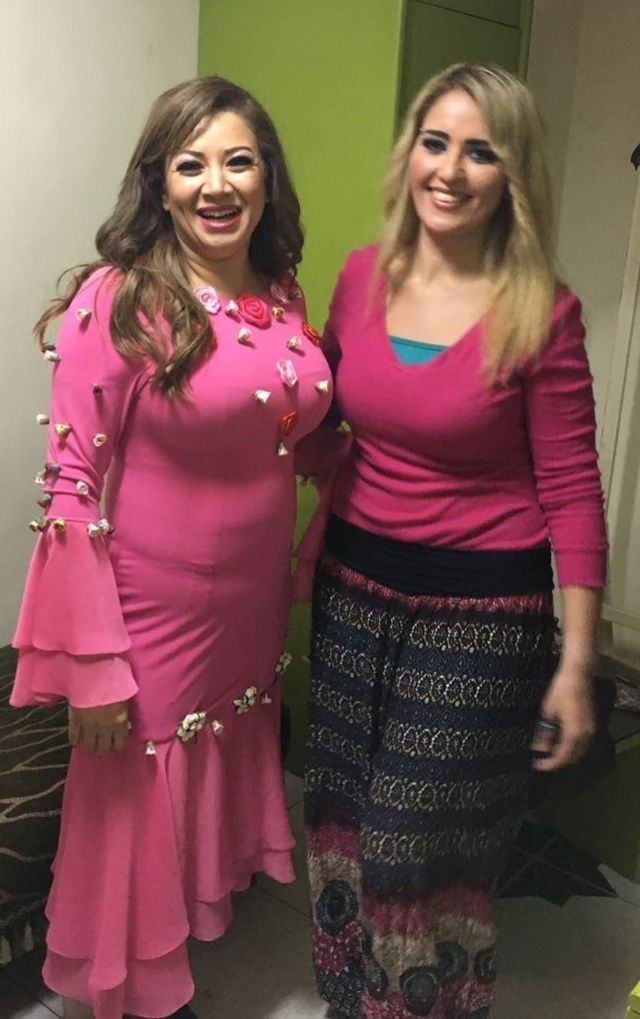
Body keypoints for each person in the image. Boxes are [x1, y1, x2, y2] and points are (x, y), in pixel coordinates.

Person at [11, 75, 333, 1019]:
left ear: (268, 177)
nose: (216, 184)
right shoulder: (122, 299)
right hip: (155, 611)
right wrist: (94, 668)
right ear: (158, 182)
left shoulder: (279, 289)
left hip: (247, 608)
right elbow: (69, 487)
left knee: (202, 778)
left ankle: (173, 941)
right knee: (133, 800)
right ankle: (132, 991)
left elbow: (288, 420)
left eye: (239, 161)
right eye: (191, 165)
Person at [302, 63, 607, 1019]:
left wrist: (576, 662)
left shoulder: (543, 312)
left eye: (482, 151)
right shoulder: (362, 276)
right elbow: (318, 411)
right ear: (410, 153)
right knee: (343, 811)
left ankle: (421, 1006)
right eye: (436, 142)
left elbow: (572, 490)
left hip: (480, 611)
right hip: (354, 584)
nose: (451, 169)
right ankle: (354, 998)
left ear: (513, 175)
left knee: (412, 839)